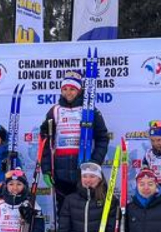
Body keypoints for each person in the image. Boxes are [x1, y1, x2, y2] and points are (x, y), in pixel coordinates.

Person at [39, 69, 110, 219]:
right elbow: (45, 141)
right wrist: (46, 169)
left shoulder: (90, 111)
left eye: (72, 89)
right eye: (64, 89)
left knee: (85, 213)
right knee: (64, 213)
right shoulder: (54, 111)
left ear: (80, 90)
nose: (68, 93)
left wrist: (95, 162)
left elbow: (102, 138)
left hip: (84, 171)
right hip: (60, 172)